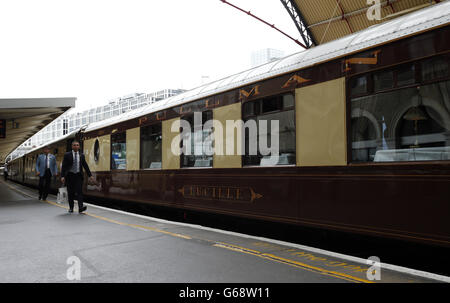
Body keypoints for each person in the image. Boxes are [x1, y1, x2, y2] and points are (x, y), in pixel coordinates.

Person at [61, 140, 94, 214]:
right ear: (72, 146)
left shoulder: (81, 155)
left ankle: (80, 208)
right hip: (70, 176)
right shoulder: (67, 155)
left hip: (78, 176)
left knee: (79, 192)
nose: (76, 146)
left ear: (79, 146)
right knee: (71, 193)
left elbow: (85, 165)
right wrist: (62, 176)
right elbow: (64, 166)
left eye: (77, 145)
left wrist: (90, 175)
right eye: (74, 145)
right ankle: (71, 208)